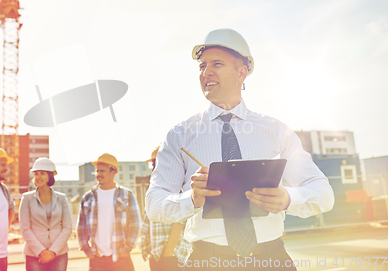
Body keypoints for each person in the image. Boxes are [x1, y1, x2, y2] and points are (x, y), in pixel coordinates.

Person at [146, 28, 335, 270]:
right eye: (202, 66)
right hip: (207, 261)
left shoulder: (277, 131)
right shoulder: (179, 136)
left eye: (217, 64)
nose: (207, 72)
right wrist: (191, 198)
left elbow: (323, 193)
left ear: (242, 72)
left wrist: (287, 198)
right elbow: (154, 204)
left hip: (271, 259)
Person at [77, 153, 141, 271]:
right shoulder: (88, 197)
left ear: (113, 172)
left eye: (102, 171)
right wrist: (86, 249)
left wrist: (127, 248)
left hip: (121, 257)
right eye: (97, 171)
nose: (98, 174)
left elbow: (135, 223)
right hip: (96, 258)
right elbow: (80, 226)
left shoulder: (126, 195)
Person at [141, 146, 191, 271]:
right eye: (152, 164)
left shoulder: (176, 186)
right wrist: (147, 250)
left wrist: (167, 254)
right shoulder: (154, 189)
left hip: (172, 256)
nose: (153, 167)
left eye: (155, 163)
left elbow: (179, 222)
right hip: (156, 255)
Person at [19, 157, 72, 271]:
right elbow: (25, 229)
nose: (38, 177)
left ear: (50, 175)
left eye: (42, 173)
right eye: (36, 173)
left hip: (59, 254)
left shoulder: (61, 198)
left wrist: (53, 251)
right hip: (34, 255)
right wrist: (41, 252)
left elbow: (67, 227)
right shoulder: (27, 198)